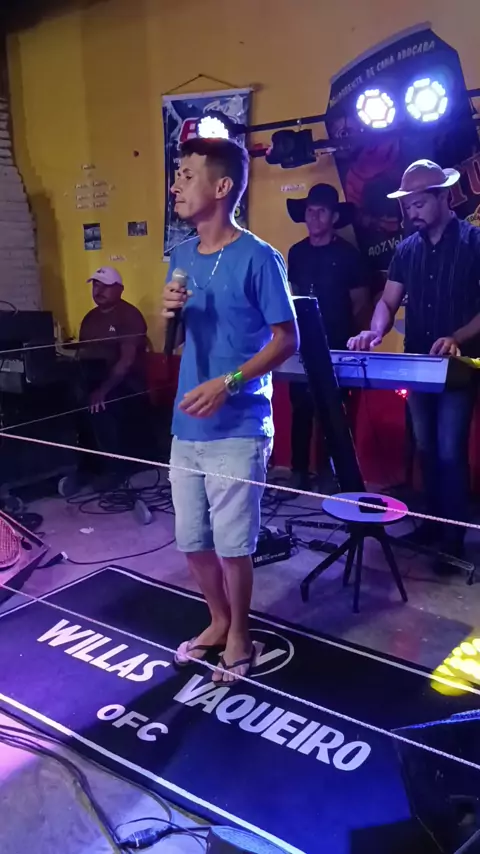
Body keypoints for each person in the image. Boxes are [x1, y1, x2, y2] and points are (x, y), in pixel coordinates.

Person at [162, 137, 298, 682]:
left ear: (221, 187)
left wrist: (231, 381)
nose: (175, 184)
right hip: (186, 424)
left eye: (186, 175)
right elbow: (174, 339)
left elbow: (287, 340)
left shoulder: (260, 257)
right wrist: (169, 316)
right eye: (176, 174)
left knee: (232, 544)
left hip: (239, 426)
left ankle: (240, 633)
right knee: (191, 539)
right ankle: (217, 620)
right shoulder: (179, 255)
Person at [347, 159, 480, 571]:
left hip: (459, 366)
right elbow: (388, 302)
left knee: (449, 450)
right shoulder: (406, 249)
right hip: (418, 364)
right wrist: (374, 331)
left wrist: (457, 337)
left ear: (443, 198)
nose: (411, 213)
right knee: (424, 447)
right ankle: (431, 525)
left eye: (419, 204)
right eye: (407, 207)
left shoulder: (474, 242)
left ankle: (453, 538)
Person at [287, 183, 370, 489]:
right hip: (301, 344)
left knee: (333, 412)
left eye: (321, 211)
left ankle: (328, 474)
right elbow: (293, 294)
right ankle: (297, 471)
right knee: (300, 408)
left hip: (336, 344)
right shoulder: (296, 253)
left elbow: (360, 300)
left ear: (334, 217)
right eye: (310, 211)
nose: (314, 217)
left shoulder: (349, 255)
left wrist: (346, 333)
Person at [78, 267, 152, 469]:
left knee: (102, 406)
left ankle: (113, 470)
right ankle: (83, 466)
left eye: (105, 286)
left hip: (127, 383)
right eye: (95, 285)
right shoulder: (90, 318)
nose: (98, 290)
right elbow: (83, 354)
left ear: (120, 289)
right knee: (67, 402)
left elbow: (126, 362)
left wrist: (102, 391)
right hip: (95, 377)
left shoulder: (129, 315)